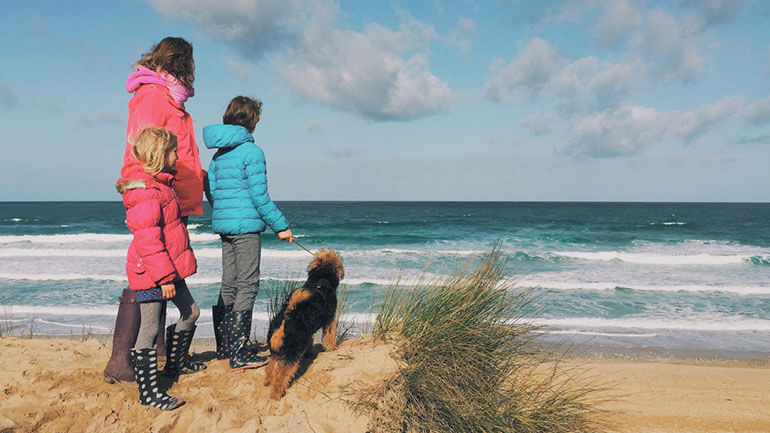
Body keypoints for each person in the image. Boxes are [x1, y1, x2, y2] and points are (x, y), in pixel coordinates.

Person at [105, 36, 204, 383]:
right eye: (191, 63)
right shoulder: (152, 94)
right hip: (156, 195)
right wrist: (144, 188)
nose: (194, 70)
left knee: (164, 268)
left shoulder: (170, 96)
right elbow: (143, 145)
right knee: (147, 271)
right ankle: (121, 360)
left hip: (174, 196)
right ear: (181, 62)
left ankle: (158, 351)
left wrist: (199, 181)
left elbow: (183, 153)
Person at [116, 127, 204, 410]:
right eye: (173, 151)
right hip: (151, 271)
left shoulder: (163, 187)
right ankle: (149, 393)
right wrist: (164, 277)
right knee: (150, 328)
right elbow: (148, 239)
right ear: (159, 155)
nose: (177, 156)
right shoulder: (146, 193)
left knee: (191, 312)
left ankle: (175, 366)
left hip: (168, 267)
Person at [203, 96, 294, 370]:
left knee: (229, 283)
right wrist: (282, 226)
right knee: (248, 284)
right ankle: (240, 352)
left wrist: (226, 213)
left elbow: (213, 193)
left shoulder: (218, 155)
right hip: (245, 229)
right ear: (252, 120)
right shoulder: (252, 152)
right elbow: (259, 197)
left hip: (225, 226)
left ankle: (226, 348)